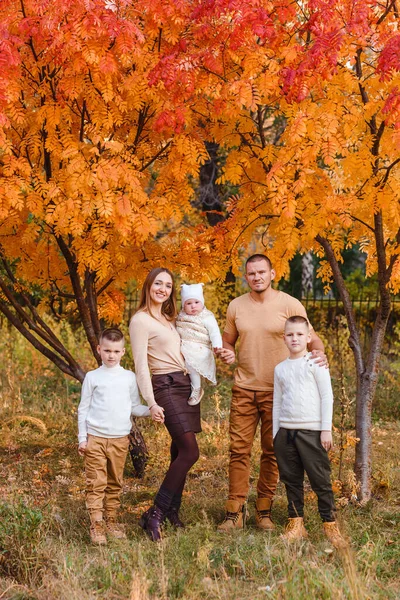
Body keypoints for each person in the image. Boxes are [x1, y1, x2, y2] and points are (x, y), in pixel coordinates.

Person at [216, 254, 327, 532]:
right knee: (238, 451)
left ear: (272, 273)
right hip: (244, 389)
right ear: (246, 276)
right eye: (251, 273)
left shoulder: (289, 304)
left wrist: (321, 354)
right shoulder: (236, 306)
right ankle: (234, 512)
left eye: (261, 272)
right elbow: (227, 342)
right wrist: (226, 354)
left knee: (272, 452)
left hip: (280, 393)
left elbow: (312, 339)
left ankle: (263, 511)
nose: (257, 277)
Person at [129, 268, 201, 541]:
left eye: (168, 285)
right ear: (148, 286)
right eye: (158, 283)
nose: (163, 289)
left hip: (183, 385)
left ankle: (172, 511)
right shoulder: (140, 321)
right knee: (190, 452)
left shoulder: (169, 318)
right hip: (165, 386)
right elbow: (141, 366)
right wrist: (150, 401)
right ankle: (155, 513)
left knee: (178, 450)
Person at [273, 316, 346, 547]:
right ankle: (296, 524)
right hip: (286, 433)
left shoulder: (316, 363)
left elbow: (327, 396)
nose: (294, 338)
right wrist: (276, 433)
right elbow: (277, 402)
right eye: (290, 334)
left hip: (311, 432)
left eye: (299, 334)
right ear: (284, 338)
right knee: (291, 479)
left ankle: (330, 525)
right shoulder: (280, 369)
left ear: (308, 338)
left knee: (320, 479)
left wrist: (326, 429)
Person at [78, 327, 150, 545]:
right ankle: (97, 524)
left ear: (123, 352)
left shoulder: (129, 378)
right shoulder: (92, 377)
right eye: (107, 350)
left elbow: (135, 406)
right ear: (99, 349)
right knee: (96, 482)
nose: (111, 355)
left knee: (115, 481)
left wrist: (151, 410)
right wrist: (83, 438)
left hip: (120, 439)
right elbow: (83, 408)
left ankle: (111, 519)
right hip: (96, 438)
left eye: (116, 351)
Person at [176, 283, 223, 405]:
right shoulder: (181, 317)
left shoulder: (207, 317)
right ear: (183, 305)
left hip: (199, 347)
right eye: (188, 303)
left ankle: (196, 388)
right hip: (184, 345)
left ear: (202, 302)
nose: (193, 306)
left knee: (191, 362)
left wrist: (217, 345)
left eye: (196, 302)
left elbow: (215, 333)